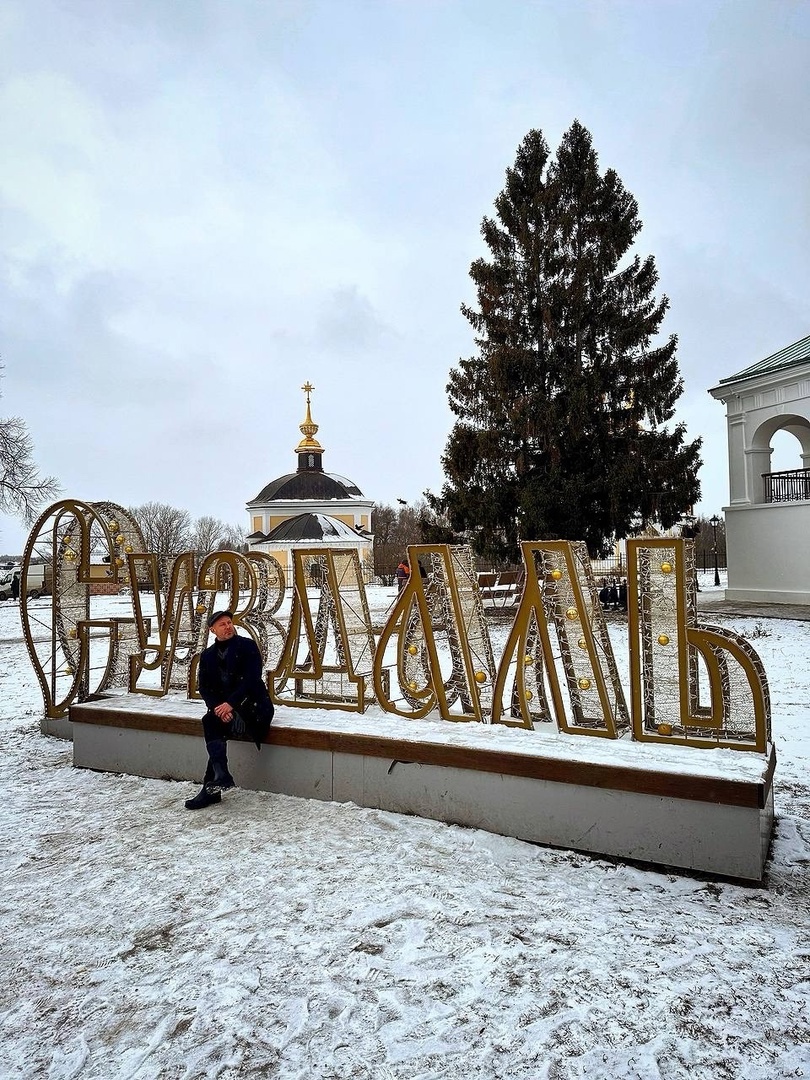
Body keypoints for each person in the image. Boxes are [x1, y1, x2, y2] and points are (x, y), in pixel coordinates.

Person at [184, 610, 275, 811]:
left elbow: (252, 680)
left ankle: (215, 783)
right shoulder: (207, 656)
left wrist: (230, 705)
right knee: (211, 721)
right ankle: (219, 776)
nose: (228, 627)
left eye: (229, 623)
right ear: (212, 630)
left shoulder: (247, 646)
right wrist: (218, 708)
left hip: (254, 708)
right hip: (226, 710)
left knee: (213, 726)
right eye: (222, 625)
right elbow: (205, 687)